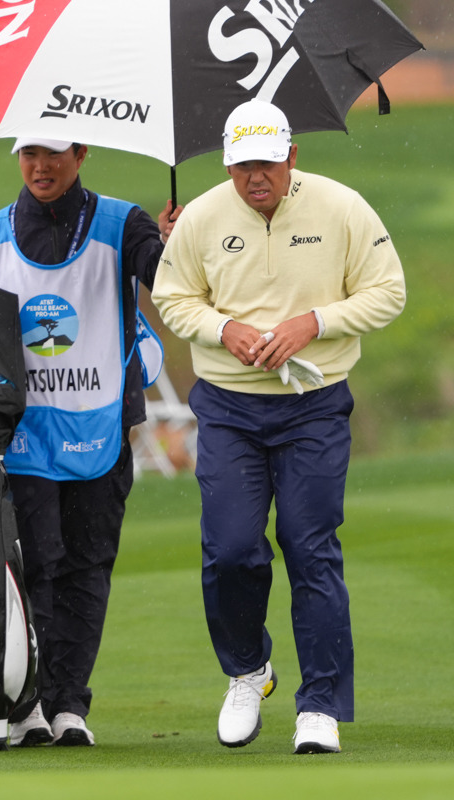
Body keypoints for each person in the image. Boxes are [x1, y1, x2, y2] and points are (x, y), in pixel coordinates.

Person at [151, 99, 405, 754]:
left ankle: (319, 704)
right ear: (229, 163)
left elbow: (388, 291)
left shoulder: (341, 208)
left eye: (266, 162)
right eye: (241, 165)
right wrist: (223, 330)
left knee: (308, 544)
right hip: (229, 406)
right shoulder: (202, 217)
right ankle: (247, 670)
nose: (254, 176)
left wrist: (311, 324)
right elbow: (173, 296)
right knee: (232, 548)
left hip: (315, 401)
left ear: (292, 157)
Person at [0, 137, 180, 747]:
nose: (40, 168)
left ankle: (69, 704)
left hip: (98, 427)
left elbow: (168, 283)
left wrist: (180, 245)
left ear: (79, 155)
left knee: (86, 565)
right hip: (20, 436)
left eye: (52, 155)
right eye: (28, 156)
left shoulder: (124, 223)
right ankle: (27, 706)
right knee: (33, 567)